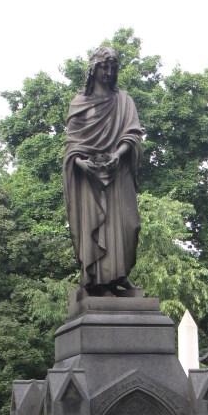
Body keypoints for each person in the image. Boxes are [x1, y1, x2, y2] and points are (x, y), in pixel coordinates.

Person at [63, 47, 144, 295]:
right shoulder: (79, 104)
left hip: (119, 173)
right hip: (90, 179)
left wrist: (118, 156)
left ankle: (120, 274)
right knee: (97, 226)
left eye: (112, 67)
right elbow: (71, 147)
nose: (108, 72)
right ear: (93, 69)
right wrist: (82, 164)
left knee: (130, 225)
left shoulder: (124, 101)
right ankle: (100, 282)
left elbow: (133, 134)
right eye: (103, 67)